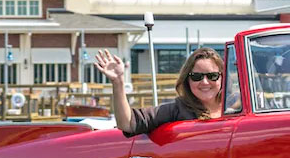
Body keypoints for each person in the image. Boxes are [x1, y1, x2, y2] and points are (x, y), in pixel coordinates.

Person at [94, 47, 224, 137]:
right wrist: (118, 82)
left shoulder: (237, 107)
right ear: (187, 80)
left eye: (212, 76)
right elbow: (127, 123)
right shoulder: (176, 110)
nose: (205, 82)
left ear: (222, 77)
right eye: (197, 77)